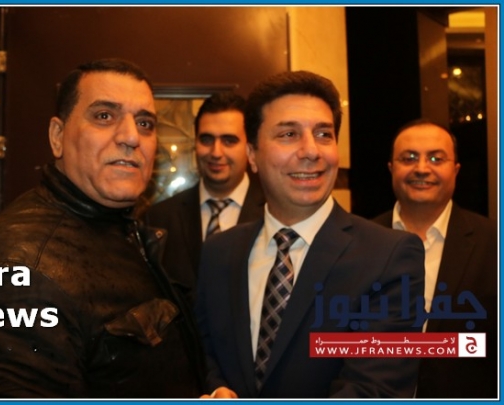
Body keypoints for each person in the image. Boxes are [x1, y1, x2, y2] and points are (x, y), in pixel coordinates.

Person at [0, 58, 206, 398]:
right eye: (104, 116)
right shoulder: (15, 263)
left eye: (145, 123)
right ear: (57, 136)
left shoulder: (119, 226)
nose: (132, 137)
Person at [196, 70, 425, 398]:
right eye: (289, 134)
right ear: (252, 155)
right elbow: (205, 351)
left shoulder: (389, 257)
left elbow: (373, 389)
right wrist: (217, 387)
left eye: (323, 134)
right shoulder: (219, 252)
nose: (311, 150)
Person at [374, 119, 497, 398]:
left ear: (455, 170)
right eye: (409, 158)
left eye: (436, 159)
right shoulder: (358, 241)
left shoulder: (494, 243)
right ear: (392, 168)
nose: (421, 168)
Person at [145, 92, 265, 292]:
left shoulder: (274, 213)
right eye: (207, 139)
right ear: (195, 143)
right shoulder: (159, 218)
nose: (216, 152)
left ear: (249, 148)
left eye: (229, 140)